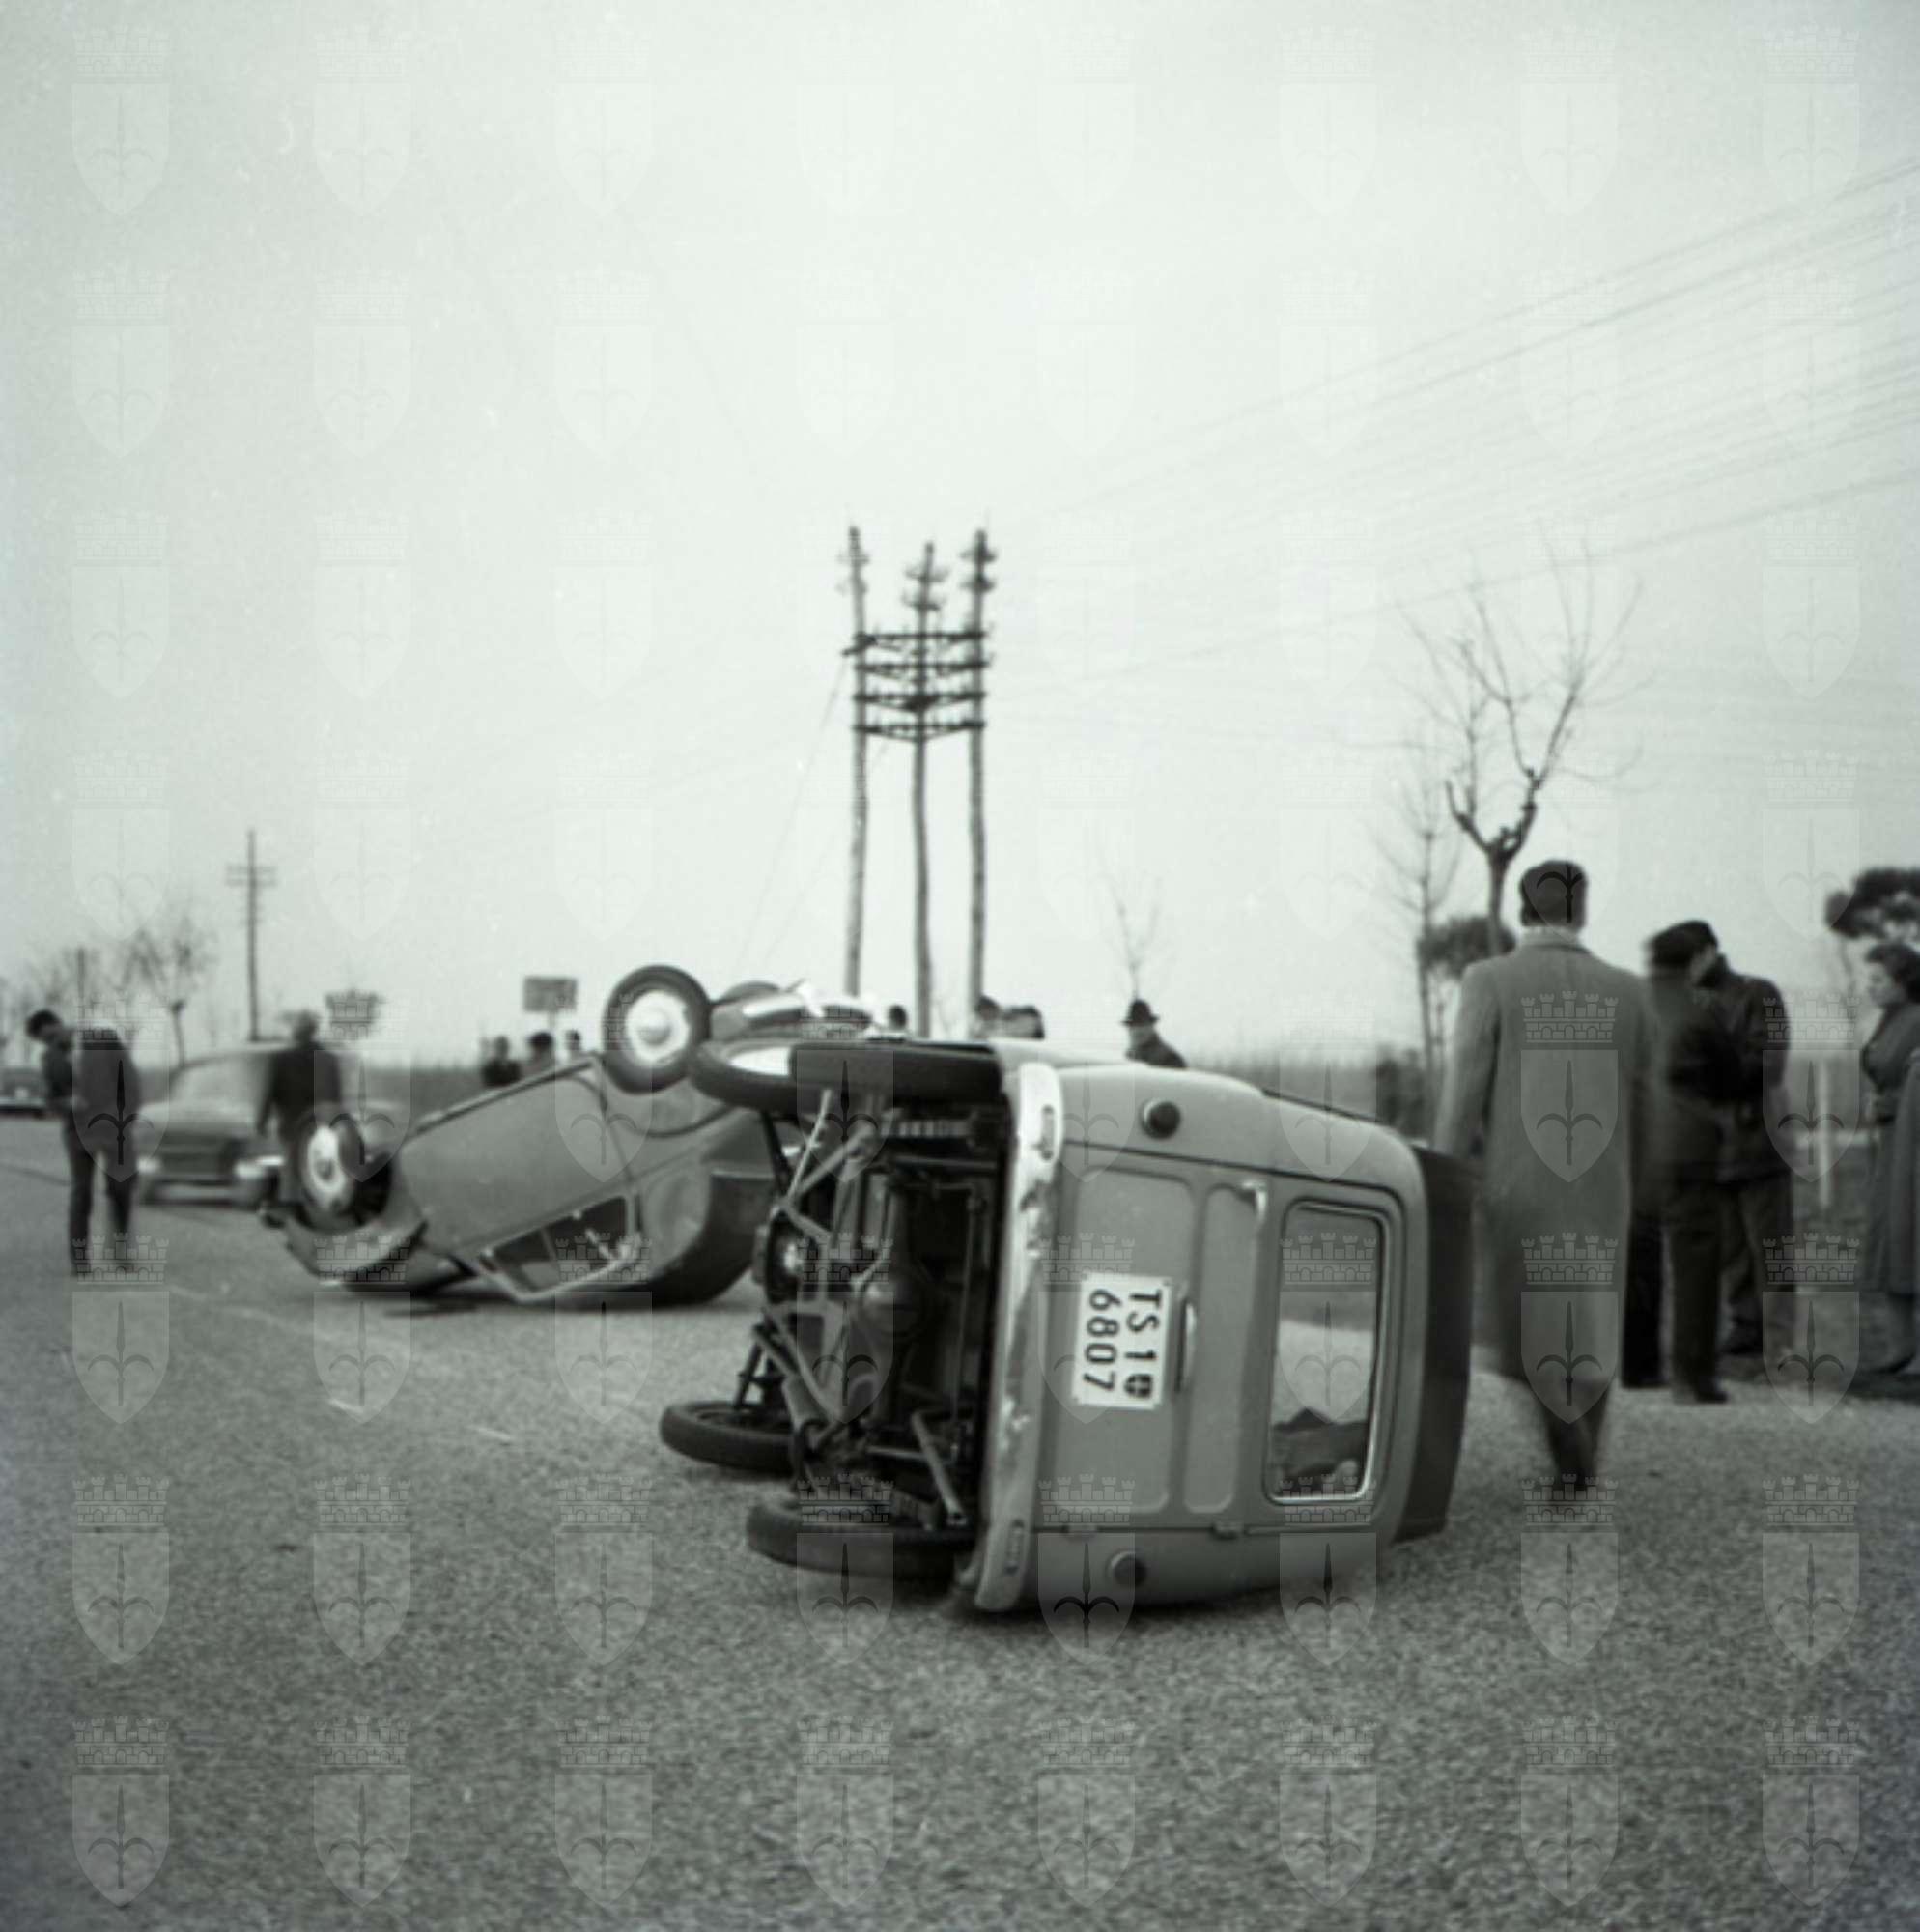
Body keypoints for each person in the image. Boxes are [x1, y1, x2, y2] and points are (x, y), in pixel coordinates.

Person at [1432, 860, 1653, 1483]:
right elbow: (1645, 1103)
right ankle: (1582, 1455)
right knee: (1592, 1323)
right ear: (1581, 911)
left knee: (1524, 1324)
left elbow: (1464, 1092)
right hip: (1606, 1188)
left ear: (1523, 910)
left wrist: (1443, 1176)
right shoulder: (1629, 991)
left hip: (1520, 1187)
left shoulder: (1489, 981)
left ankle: (1568, 1449)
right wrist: (1639, 1185)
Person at [1670, 921, 1793, 1358]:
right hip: (1708, 1146)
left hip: (1757, 1139)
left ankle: (1779, 1335)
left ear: (1708, 952)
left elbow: (1769, 1064)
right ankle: (1745, 1325)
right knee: (1730, 1245)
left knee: (1770, 1242)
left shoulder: (1759, 993)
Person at [1643, 923, 1746, 1404]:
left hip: (1631, 1146)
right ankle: (1692, 1374)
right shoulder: (1701, 1009)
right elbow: (1732, 1078)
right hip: (1688, 1146)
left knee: (1636, 1254)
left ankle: (1636, 1365)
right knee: (1695, 1261)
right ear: (1694, 960)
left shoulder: (1623, 1004)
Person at [27, 1008, 142, 1276]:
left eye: (50, 1037)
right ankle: (79, 1261)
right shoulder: (49, 1058)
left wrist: (126, 1116)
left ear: (56, 1024)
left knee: (121, 1189)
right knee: (82, 1194)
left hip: (114, 1127)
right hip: (77, 1132)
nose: (50, 1044)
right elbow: (50, 1099)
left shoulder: (104, 1040)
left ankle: (122, 1252)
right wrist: (64, 1103)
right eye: (45, 1042)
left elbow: (130, 1080)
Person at [1858, 941, 1920, 1375]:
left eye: (1879, 979)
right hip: (1892, 1143)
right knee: (1891, 1236)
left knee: (1911, 1233)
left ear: (1903, 982)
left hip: (1913, 1144)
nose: (1871, 986)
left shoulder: (1916, 1020)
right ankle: (1901, 1345)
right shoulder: (1889, 1020)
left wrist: (1889, 1103)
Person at [257, 1011, 343, 1222]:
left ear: (296, 1032)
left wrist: (262, 1120)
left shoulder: (281, 1059)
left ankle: (292, 1207)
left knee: (292, 1165)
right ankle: (316, 1204)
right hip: (320, 1122)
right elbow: (335, 1095)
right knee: (316, 1164)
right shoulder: (328, 1059)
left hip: (291, 1122)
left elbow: (270, 1092)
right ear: (314, 1031)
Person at [1122, 998, 1184, 1068]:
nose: (1137, 1030)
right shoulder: (1129, 1056)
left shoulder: (1169, 1058)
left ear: (1152, 1026)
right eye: (1133, 1026)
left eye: (1142, 1024)